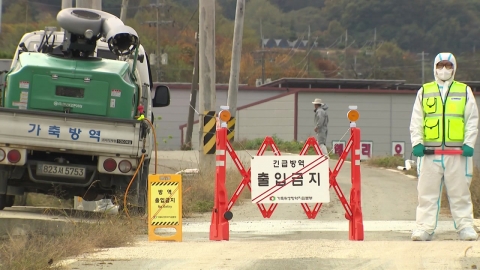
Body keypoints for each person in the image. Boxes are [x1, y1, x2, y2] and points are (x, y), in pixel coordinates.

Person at [409, 52, 479, 241]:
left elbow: (472, 119)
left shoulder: (464, 91)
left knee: (460, 192)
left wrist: (469, 143)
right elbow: (416, 120)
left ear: (454, 68)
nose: (444, 69)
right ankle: (424, 227)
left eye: (448, 65)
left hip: (457, 153)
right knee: (426, 192)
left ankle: (465, 226)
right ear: (434, 67)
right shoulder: (424, 91)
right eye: (441, 65)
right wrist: (417, 143)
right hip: (429, 152)